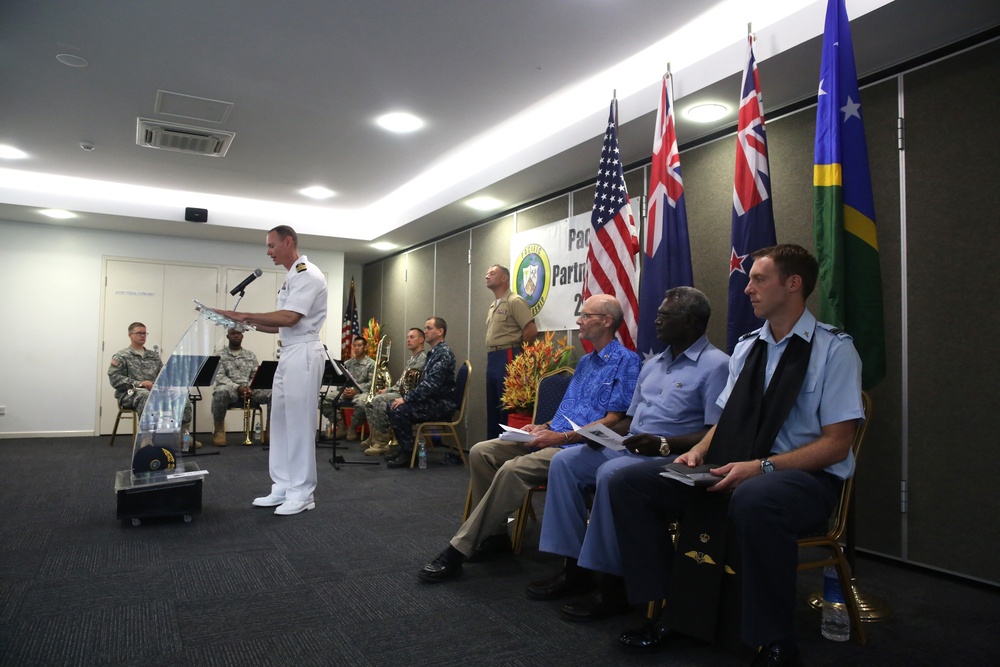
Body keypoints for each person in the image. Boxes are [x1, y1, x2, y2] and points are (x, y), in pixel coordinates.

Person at [609, 245, 864, 666]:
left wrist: (763, 467)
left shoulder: (834, 351)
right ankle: (673, 608)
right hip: (735, 463)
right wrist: (695, 453)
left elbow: (837, 443)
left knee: (754, 497)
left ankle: (775, 638)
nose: (747, 289)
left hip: (804, 479)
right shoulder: (748, 348)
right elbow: (723, 424)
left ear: (793, 284)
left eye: (759, 279)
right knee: (629, 483)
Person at [527, 287, 729, 622]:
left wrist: (664, 442)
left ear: (691, 322)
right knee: (564, 462)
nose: (656, 320)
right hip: (631, 446)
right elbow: (629, 422)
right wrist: (595, 435)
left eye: (665, 315)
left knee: (612, 474)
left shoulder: (716, 365)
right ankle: (574, 570)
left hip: (670, 455)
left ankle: (611, 586)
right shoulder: (653, 365)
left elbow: (714, 432)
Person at [417, 294, 641, 583]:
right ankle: (496, 538)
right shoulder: (586, 362)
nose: (578, 321)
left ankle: (458, 550)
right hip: (555, 434)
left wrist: (559, 436)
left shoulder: (627, 362)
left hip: (580, 445)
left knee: (513, 469)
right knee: (481, 451)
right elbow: (567, 410)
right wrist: (540, 426)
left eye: (585, 316)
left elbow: (614, 420)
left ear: (607, 321)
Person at [218, 225, 328, 517]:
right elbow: (279, 325)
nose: (268, 252)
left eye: (271, 246)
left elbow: (291, 318)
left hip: (304, 351)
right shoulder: (290, 278)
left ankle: (303, 492)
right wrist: (242, 322)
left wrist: (242, 313)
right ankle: (282, 486)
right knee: (279, 422)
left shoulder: (307, 273)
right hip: (289, 351)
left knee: (299, 424)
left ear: (288, 242)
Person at [385, 317, 457, 469]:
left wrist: (406, 399)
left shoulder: (443, 353)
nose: (425, 331)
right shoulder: (434, 353)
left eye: (429, 328)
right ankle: (405, 448)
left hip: (441, 405)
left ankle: (409, 453)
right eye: (425, 328)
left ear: (440, 331)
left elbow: (431, 385)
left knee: (399, 410)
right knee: (391, 405)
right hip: (432, 401)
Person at [108, 321, 196, 445]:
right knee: (146, 396)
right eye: (139, 333)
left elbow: (163, 375)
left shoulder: (153, 356)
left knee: (182, 397)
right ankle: (146, 438)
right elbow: (114, 378)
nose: (142, 336)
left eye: (144, 333)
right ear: (130, 335)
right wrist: (140, 383)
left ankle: (184, 437)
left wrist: (168, 384)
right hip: (131, 393)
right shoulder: (121, 356)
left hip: (155, 391)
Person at [484, 264, 537, 439]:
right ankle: (491, 446)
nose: (487, 276)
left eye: (492, 273)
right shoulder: (494, 305)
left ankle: (505, 448)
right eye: (487, 273)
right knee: (493, 405)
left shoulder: (514, 301)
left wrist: (519, 356)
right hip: (493, 357)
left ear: (504, 278)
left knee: (507, 406)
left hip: (508, 355)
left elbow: (530, 330)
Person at [362, 327, 428, 456]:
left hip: (410, 396)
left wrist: (390, 391)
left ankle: (382, 443)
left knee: (379, 400)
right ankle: (374, 436)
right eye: (407, 337)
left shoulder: (422, 358)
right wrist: (388, 389)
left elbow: (410, 385)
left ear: (421, 340)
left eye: (412, 337)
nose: (408, 340)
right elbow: (402, 382)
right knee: (369, 401)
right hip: (402, 392)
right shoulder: (413, 358)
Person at [211, 327, 272, 446]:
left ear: (242, 336)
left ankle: (270, 430)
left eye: (238, 333)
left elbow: (255, 375)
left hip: (250, 390)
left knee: (273, 393)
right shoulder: (219, 355)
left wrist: (249, 387)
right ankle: (219, 430)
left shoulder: (250, 355)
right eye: (233, 333)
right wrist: (238, 388)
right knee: (220, 391)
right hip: (230, 390)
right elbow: (219, 376)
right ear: (228, 336)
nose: (236, 336)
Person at [320, 336, 375, 440]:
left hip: (361, 393)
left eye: (359, 345)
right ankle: (341, 427)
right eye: (354, 346)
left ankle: (352, 428)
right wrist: (345, 389)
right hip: (346, 392)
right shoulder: (347, 363)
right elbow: (342, 380)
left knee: (362, 403)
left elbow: (371, 383)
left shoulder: (371, 364)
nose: (356, 348)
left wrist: (356, 390)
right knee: (323, 401)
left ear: (365, 347)